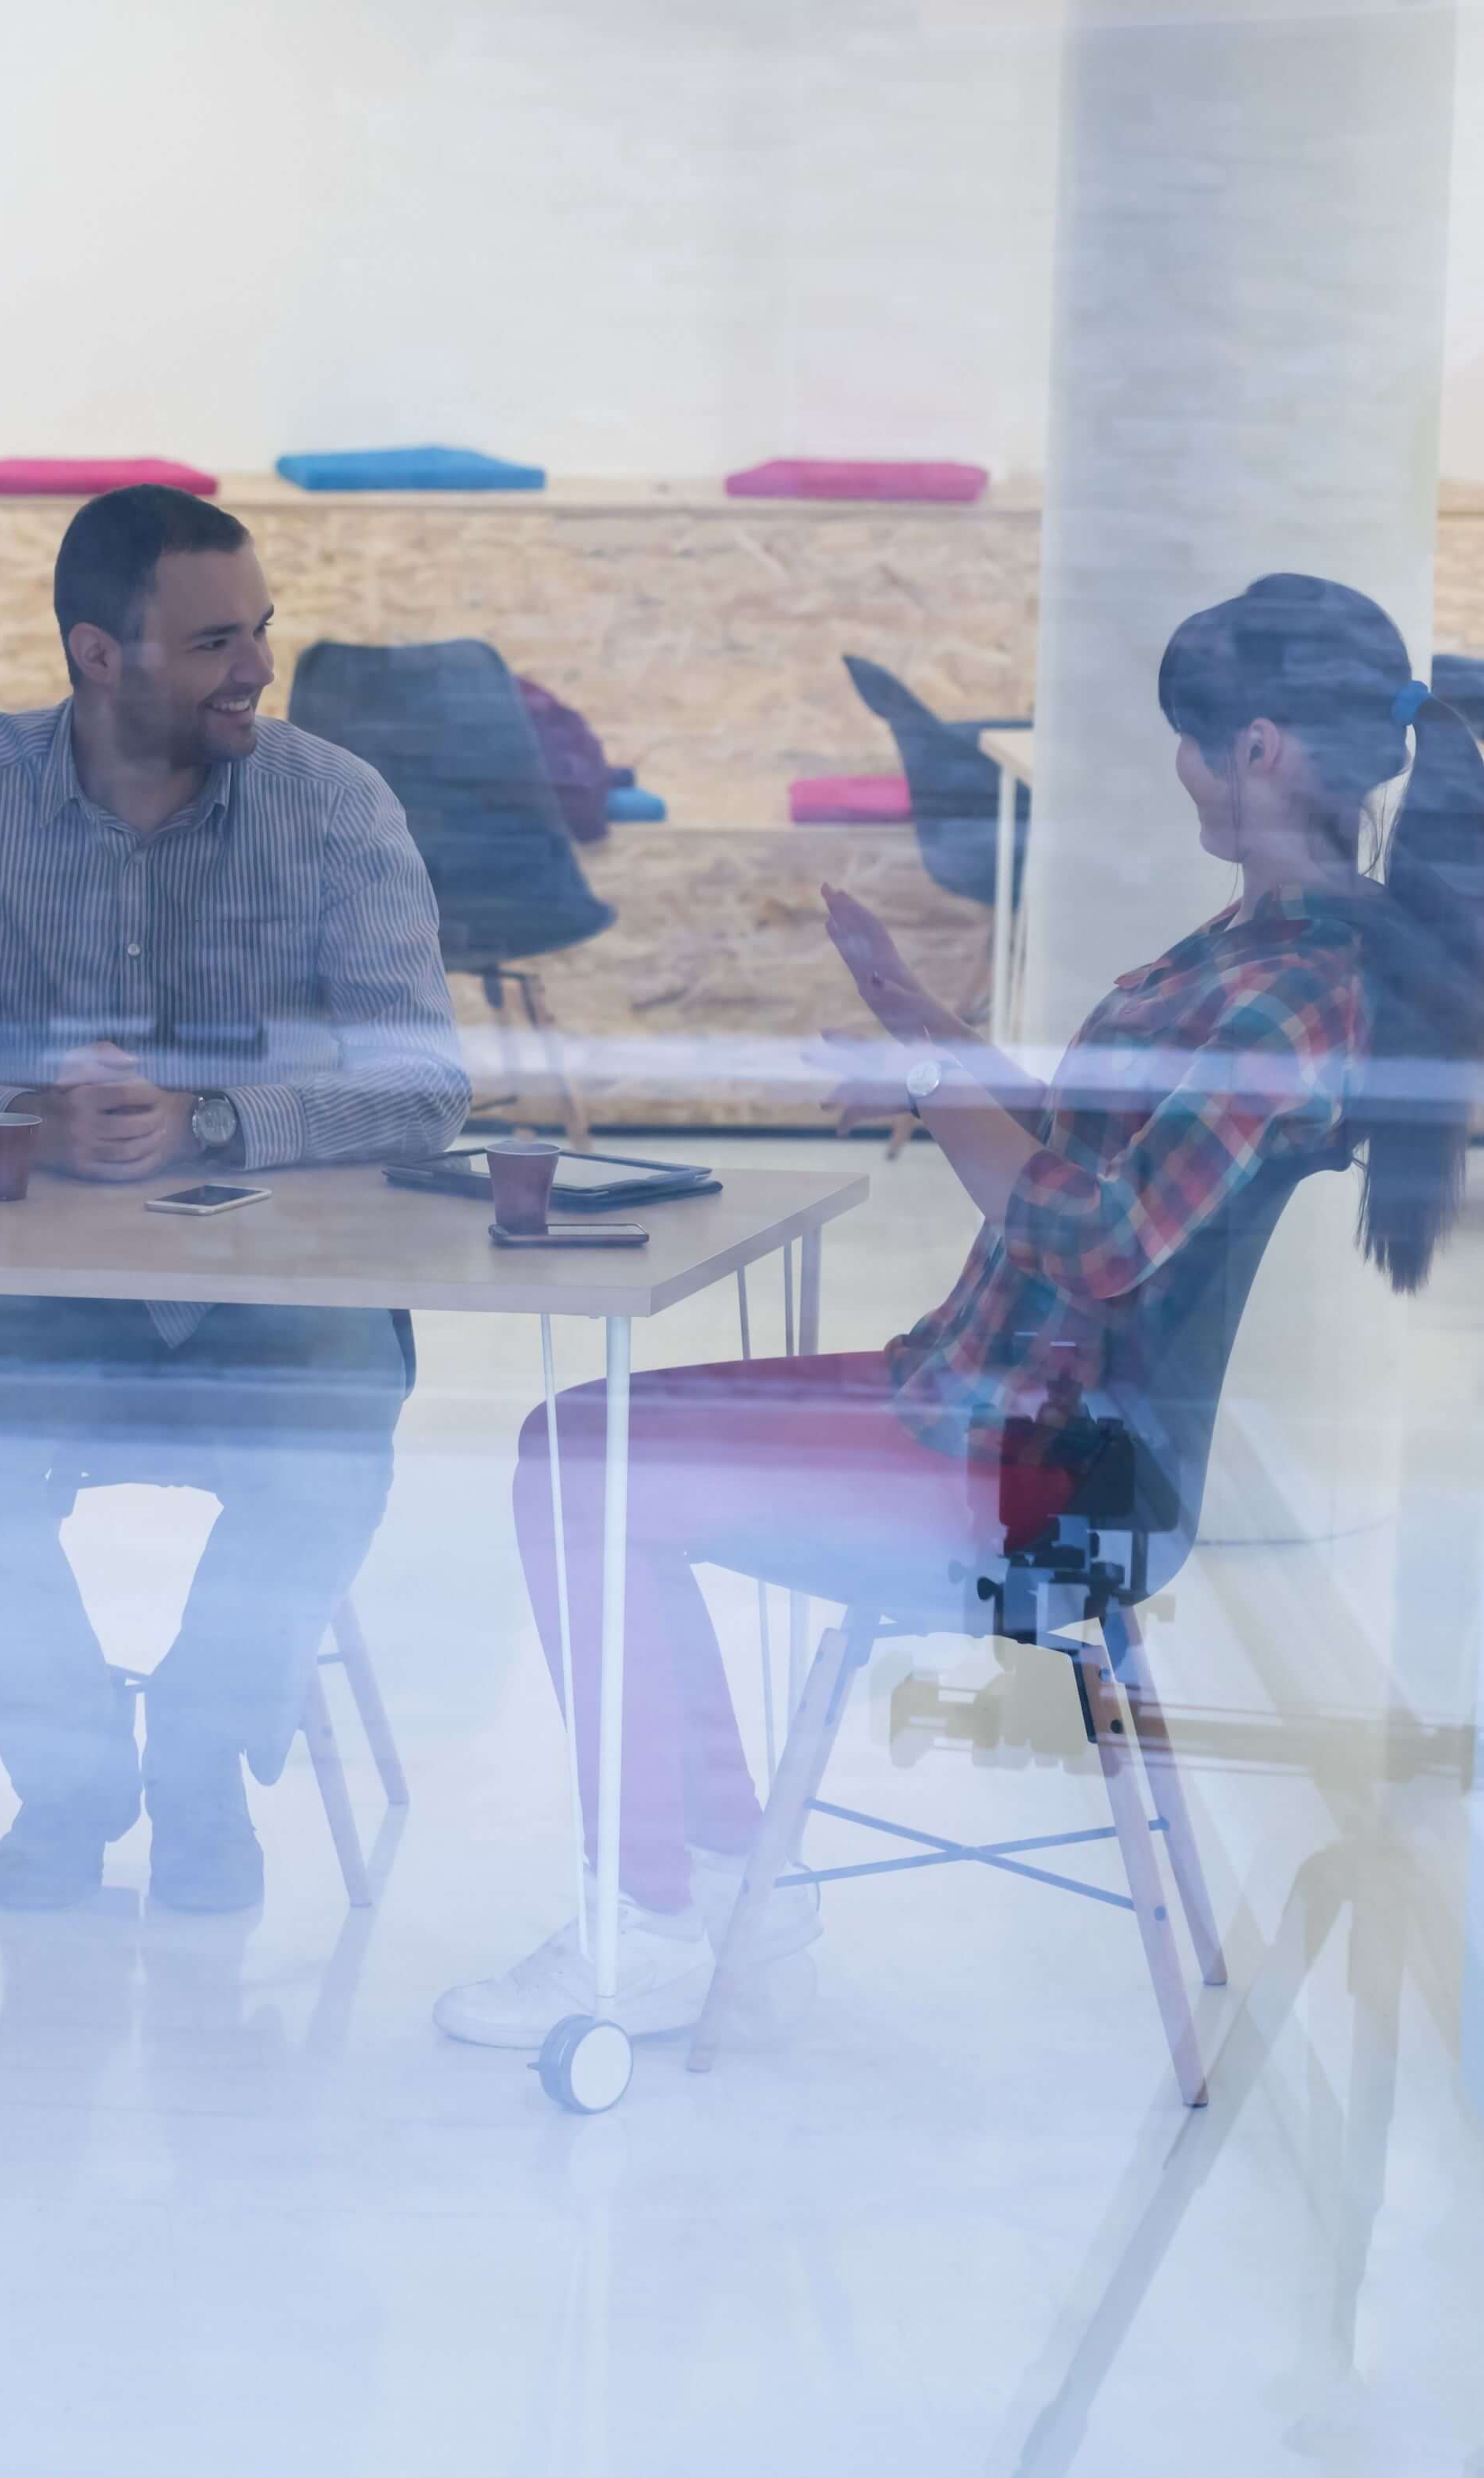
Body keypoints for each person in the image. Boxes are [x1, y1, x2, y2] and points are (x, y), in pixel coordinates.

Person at [434, 573, 1484, 2051]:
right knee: (580, 1447)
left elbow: (1110, 1237)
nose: (1176, 766)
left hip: (1051, 1475)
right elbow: (1083, 1131)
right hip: (978, 1394)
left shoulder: (1299, 993)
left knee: (578, 1464)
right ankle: (726, 1874)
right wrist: (928, 1032)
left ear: (1258, 749)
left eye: (1191, 739)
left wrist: (929, 1088)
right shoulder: (1248, 953)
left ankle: (660, 1913)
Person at [0, 484, 470, 1912]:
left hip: (284, 1292)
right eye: (217, 640)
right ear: (97, 655)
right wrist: (28, 1122)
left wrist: (217, 1119)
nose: (260, 670)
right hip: (35, 1290)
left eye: (264, 631)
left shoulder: (333, 802)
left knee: (332, 1439)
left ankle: (194, 1750)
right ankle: (70, 1766)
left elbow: (426, 1083)